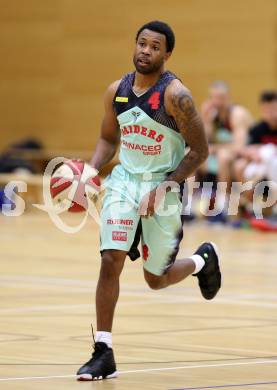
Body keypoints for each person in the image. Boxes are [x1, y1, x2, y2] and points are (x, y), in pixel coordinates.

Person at [77, 20, 222, 381]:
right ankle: (103, 350)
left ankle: (202, 261)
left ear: (167, 54)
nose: (146, 50)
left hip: (164, 187)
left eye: (154, 47)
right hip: (125, 183)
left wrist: (166, 186)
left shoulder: (177, 96)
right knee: (110, 259)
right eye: (142, 44)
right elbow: (108, 140)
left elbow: (200, 151)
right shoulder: (117, 91)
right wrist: (90, 172)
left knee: (155, 279)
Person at [200, 81, 252, 219]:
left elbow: (239, 147)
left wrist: (215, 148)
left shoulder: (237, 114)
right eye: (214, 98)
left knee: (223, 157)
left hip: (246, 155)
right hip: (223, 153)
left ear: (228, 97)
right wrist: (205, 121)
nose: (217, 102)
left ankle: (222, 204)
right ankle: (187, 205)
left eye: (221, 98)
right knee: (191, 155)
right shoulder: (212, 115)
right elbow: (203, 142)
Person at [233, 91, 277, 220]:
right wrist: (253, 153)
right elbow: (244, 149)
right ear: (263, 110)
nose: (272, 114)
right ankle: (249, 205)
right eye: (268, 110)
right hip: (261, 166)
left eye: (274, 109)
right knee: (239, 165)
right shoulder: (258, 129)